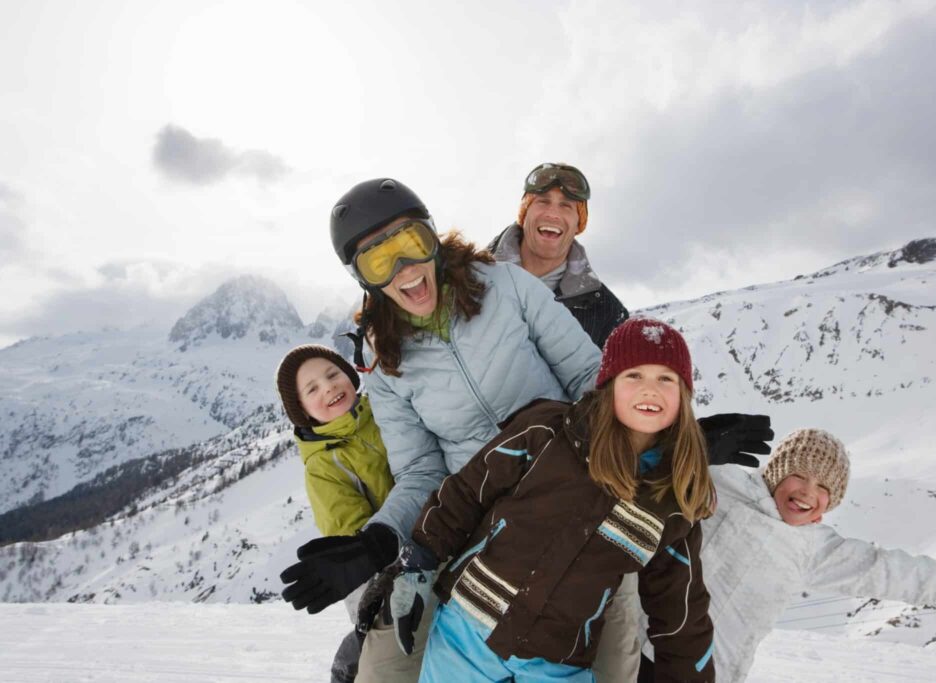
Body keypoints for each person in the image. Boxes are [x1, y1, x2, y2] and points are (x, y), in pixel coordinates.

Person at [280, 178, 771, 682]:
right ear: (362, 278)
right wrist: (377, 541)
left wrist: (677, 439)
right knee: (389, 672)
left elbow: (589, 380)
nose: (404, 269)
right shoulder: (387, 367)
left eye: (409, 245)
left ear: (431, 237)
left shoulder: (507, 287)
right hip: (473, 524)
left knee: (611, 661)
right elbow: (422, 471)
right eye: (379, 261)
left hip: (584, 497)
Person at [385, 317, 715, 682]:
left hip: (557, 662)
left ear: (683, 396)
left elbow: (681, 612)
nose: (649, 389)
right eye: (633, 375)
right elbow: (465, 494)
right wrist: (418, 560)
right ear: (608, 385)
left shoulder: (671, 503)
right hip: (468, 630)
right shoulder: (547, 433)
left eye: (666, 378)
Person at [639, 428, 936, 683]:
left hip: (710, 673)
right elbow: (640, 475)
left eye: (823, 486)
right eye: (799, 476)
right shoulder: (721, 485)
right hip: (639, 653)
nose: (807, 491)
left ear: (830, 502)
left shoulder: (816, 548)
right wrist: (693, 445)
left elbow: (891, 571)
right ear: (777, 472)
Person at [276, 344, 395, 683]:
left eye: (332, 374)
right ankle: (359, 654)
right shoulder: (324, 468)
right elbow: (350, 538)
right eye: (312, 388)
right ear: (301, 409)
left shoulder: (386, 409)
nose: (328, 387)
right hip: (382, 570)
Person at [488, 163, 628, 348]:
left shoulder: (607, 315)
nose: (553, 214)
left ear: (579, 223)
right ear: (524, 214)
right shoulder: (467, 279)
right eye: (543, 201)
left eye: (566, 206)